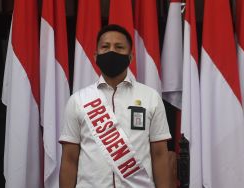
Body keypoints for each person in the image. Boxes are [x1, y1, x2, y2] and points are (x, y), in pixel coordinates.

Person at [59, 24, 172, 188]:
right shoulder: (78, 100)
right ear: (96, 56)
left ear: (130, 57)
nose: (112, 51)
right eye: (105, 47)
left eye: (119, 47)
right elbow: (69, 159)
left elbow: (160, 155)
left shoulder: (150, 97)